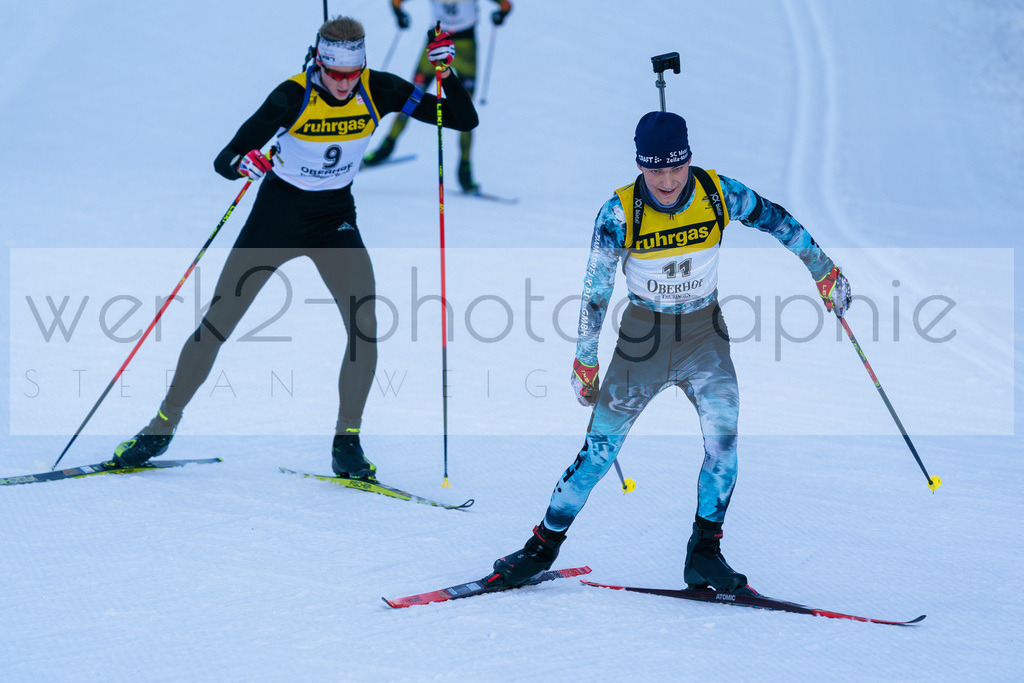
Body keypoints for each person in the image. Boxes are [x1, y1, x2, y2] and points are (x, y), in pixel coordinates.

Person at [489, 111, 852, 594]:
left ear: (689, 159)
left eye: (676, 168)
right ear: (639, 165)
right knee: (599, 452)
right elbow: (595, 291)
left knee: (723, 444)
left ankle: (704, 553)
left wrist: (823, 269)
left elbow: (778, 221)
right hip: (644, 341)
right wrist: (585, 358)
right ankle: (540, 549)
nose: (667, 181)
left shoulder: (719, 193)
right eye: (655, 170)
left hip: (705, 336)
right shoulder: (619, 214)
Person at [110, 16, 478, 480]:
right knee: (218, 323)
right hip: (275, 220)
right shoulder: (291, 95)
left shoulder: (380, 88)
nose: (344, 84)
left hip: (333, 222)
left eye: (353, 73)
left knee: (364, 326)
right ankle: (161, 427)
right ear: (319, 63)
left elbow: (460, 119)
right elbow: (226, 158)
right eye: (335, 74)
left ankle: (347, 443)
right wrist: (245, 163)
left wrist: (446, 73)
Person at [362, 0, 513, 193]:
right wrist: (399, 14)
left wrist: (501, 15)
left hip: (464, 45)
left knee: (464, 108)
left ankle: (465, 170)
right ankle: (386, 147)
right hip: (438, 42)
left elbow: (505, 5)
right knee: (411, 97)